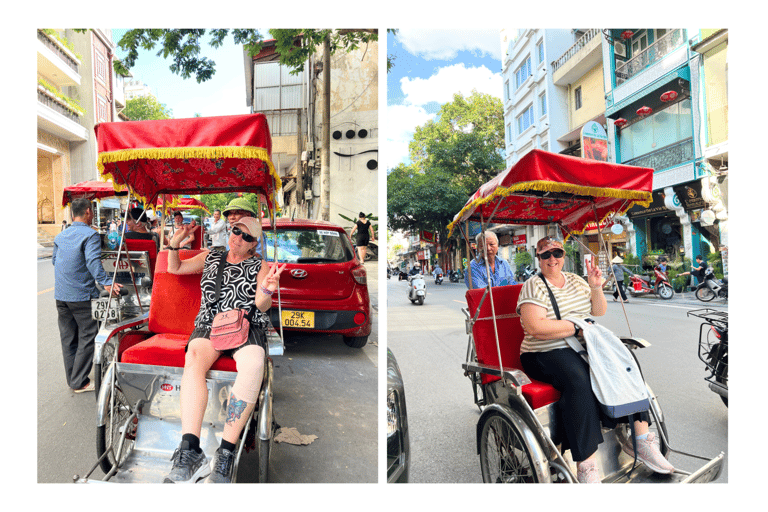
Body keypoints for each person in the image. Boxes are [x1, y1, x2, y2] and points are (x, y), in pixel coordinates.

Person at [517, 236, 673, 483]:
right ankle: (586, 464)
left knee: (625, 361)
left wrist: (596, 286)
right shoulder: (533, 285)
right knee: (578, 378)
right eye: (545, 255)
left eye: (556, 253)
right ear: (539, 258)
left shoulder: (576, 281)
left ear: (564, 255)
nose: (552, 259)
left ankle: (641, 440)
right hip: (542, 351)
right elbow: (536, 327)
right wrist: (577, 328)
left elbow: (598, 311)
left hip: (582, 345)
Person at [163, 216, 286, 483]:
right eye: (235, 231)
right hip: (209, 325)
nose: (238, 238)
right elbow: (177, 269)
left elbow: (262, 304)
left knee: (254, 364)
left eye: (246, 236)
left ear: (254, 245)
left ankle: (226, 452)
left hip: (245, 324)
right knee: (194, 357)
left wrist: (268, 288)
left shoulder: (258, 265)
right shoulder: (211, 256)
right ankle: (189, 449)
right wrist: (174, 244)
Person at [53, 198, 122, 393]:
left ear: (72, 214)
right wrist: (107, 282)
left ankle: (73, 379)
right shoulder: (90, 235)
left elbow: (55, 262)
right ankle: (79, 381)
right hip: (81, 295)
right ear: (88, 212)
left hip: (61, 295)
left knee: (68, 337)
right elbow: (93, 262)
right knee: (88, 334)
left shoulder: (61, 236)